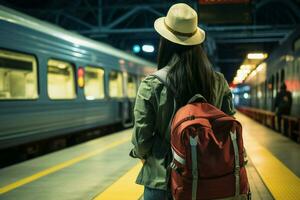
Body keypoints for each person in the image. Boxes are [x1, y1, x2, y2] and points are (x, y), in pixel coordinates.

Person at [129, 3, 235, 200]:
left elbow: (142, 138)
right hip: (208, 177)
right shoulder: (218, 81)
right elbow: (228, 126)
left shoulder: (151, 85)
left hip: (162, 179)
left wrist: (142, 155)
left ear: (165, 42)